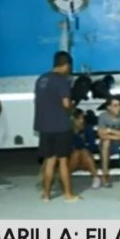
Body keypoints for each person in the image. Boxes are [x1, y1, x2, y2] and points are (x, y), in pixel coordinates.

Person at [34, 51, 78, 202]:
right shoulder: (61, 80)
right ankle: (68, 194)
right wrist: (72, 107)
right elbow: (65, 104)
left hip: (44, 126)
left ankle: (46, 195)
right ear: (66, 65)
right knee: (63, 161)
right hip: (60, 126)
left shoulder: (41, 79)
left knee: (49, 161)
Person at [96, 96, 120, 188]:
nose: (118, 108)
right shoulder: (103, 116)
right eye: (115, 105)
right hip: (109, 143)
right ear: (109, 107)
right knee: (105, 143)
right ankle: (105, 175)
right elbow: (101, 134)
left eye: (119, 105)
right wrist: (119, 135)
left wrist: (110, 130)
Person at [67, 109, 102, 189]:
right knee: (77, 153)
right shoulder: (67, 131)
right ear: (72, 120)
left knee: (84, 151)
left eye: (82, 118)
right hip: (72, 160)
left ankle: (96, 178)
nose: (82, 120)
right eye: (79, 118)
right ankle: (96, 177)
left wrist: (81, 135)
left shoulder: (87, 128)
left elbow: (92, 146)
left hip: (85, 159)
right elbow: (67, 148)